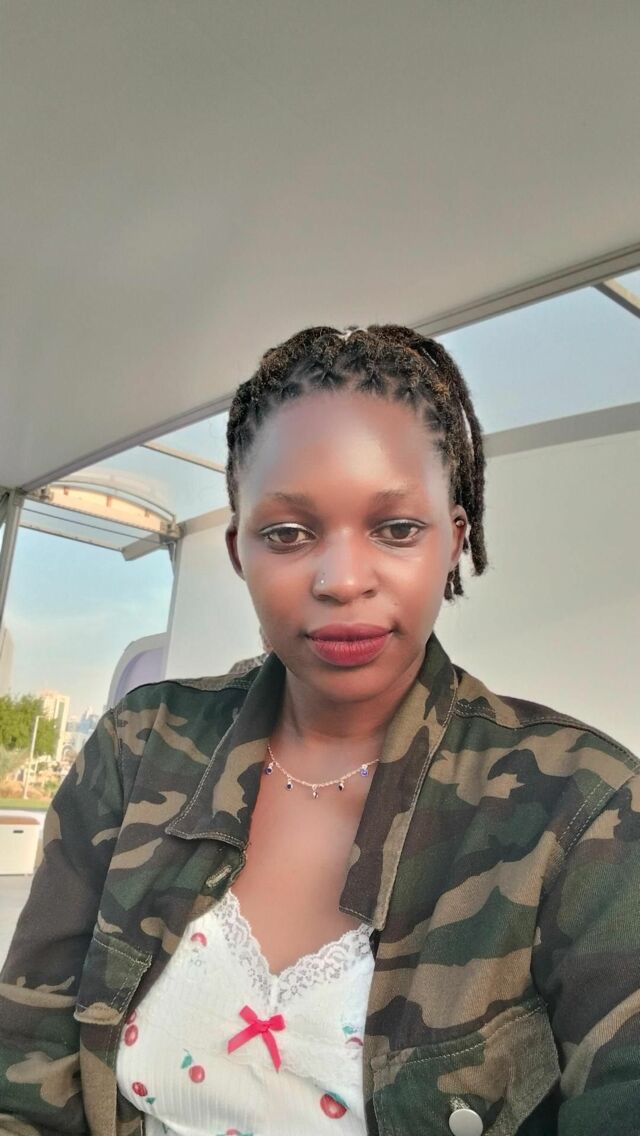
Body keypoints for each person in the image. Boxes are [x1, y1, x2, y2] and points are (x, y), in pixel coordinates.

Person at [1, 325, 638, 1136]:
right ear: (239, 551)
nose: (341, 580)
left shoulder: (583, 810)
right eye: (289, 534)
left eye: (396, 528)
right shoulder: (137, 746)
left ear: (455, 540)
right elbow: (26, 1068)